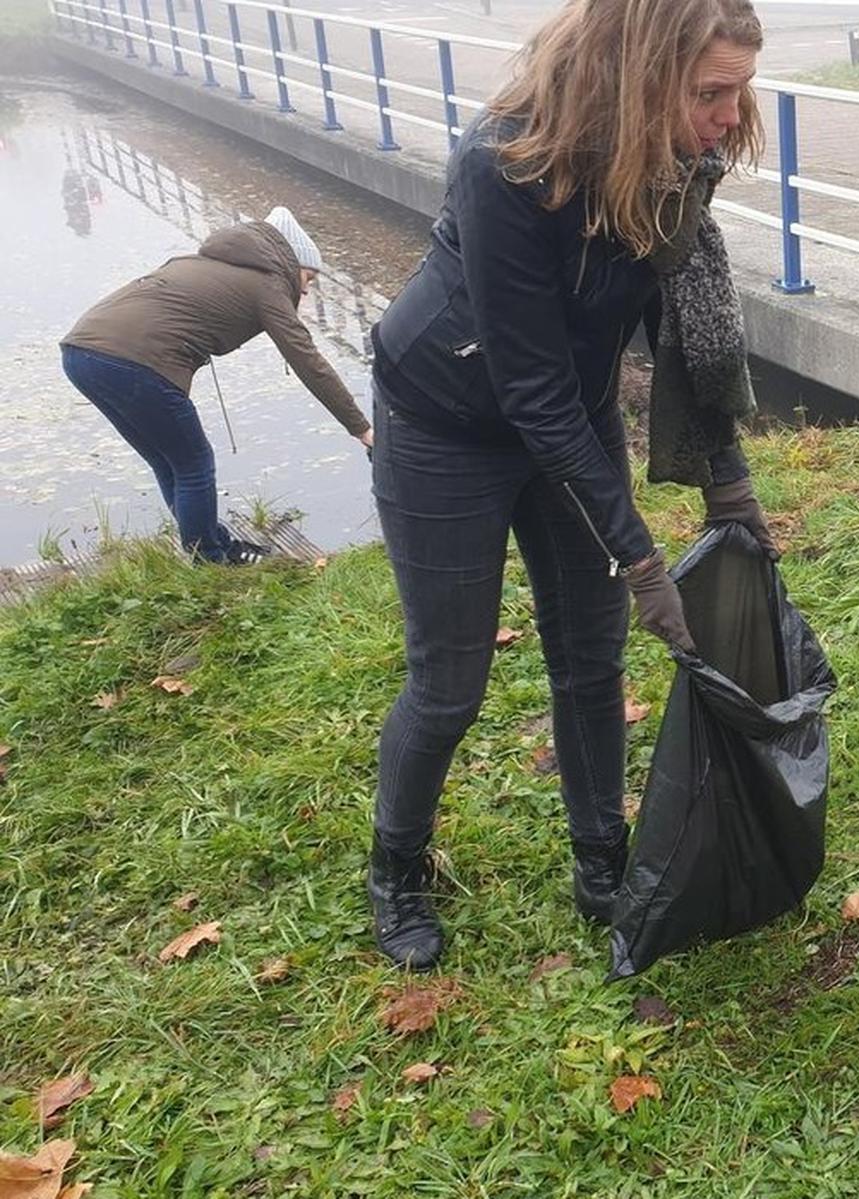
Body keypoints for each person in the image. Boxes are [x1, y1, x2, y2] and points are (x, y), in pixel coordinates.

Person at [363, 0, 776, 970]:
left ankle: (601, 861)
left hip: (569, 409)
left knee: (590, 660)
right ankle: (396, 866)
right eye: (711, 92)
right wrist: (638, 555)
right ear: (638, 75)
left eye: (741, 92)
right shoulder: (506, 164)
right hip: (445, 423)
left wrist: (729, 481)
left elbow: (682, 324)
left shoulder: (678, 162)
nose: (730, 116)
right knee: (449, 680)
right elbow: (531, 387)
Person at [60, 207, 370, 563]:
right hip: (133, 361)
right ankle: (210, 560)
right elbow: (308, 361)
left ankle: (214, 543)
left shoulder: (199, 263)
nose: (306, 289)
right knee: (194, 463)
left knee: (168, 460)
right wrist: (360, 428)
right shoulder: (267, 285)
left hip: (80, 354)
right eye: (309, 278)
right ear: (290, 262)